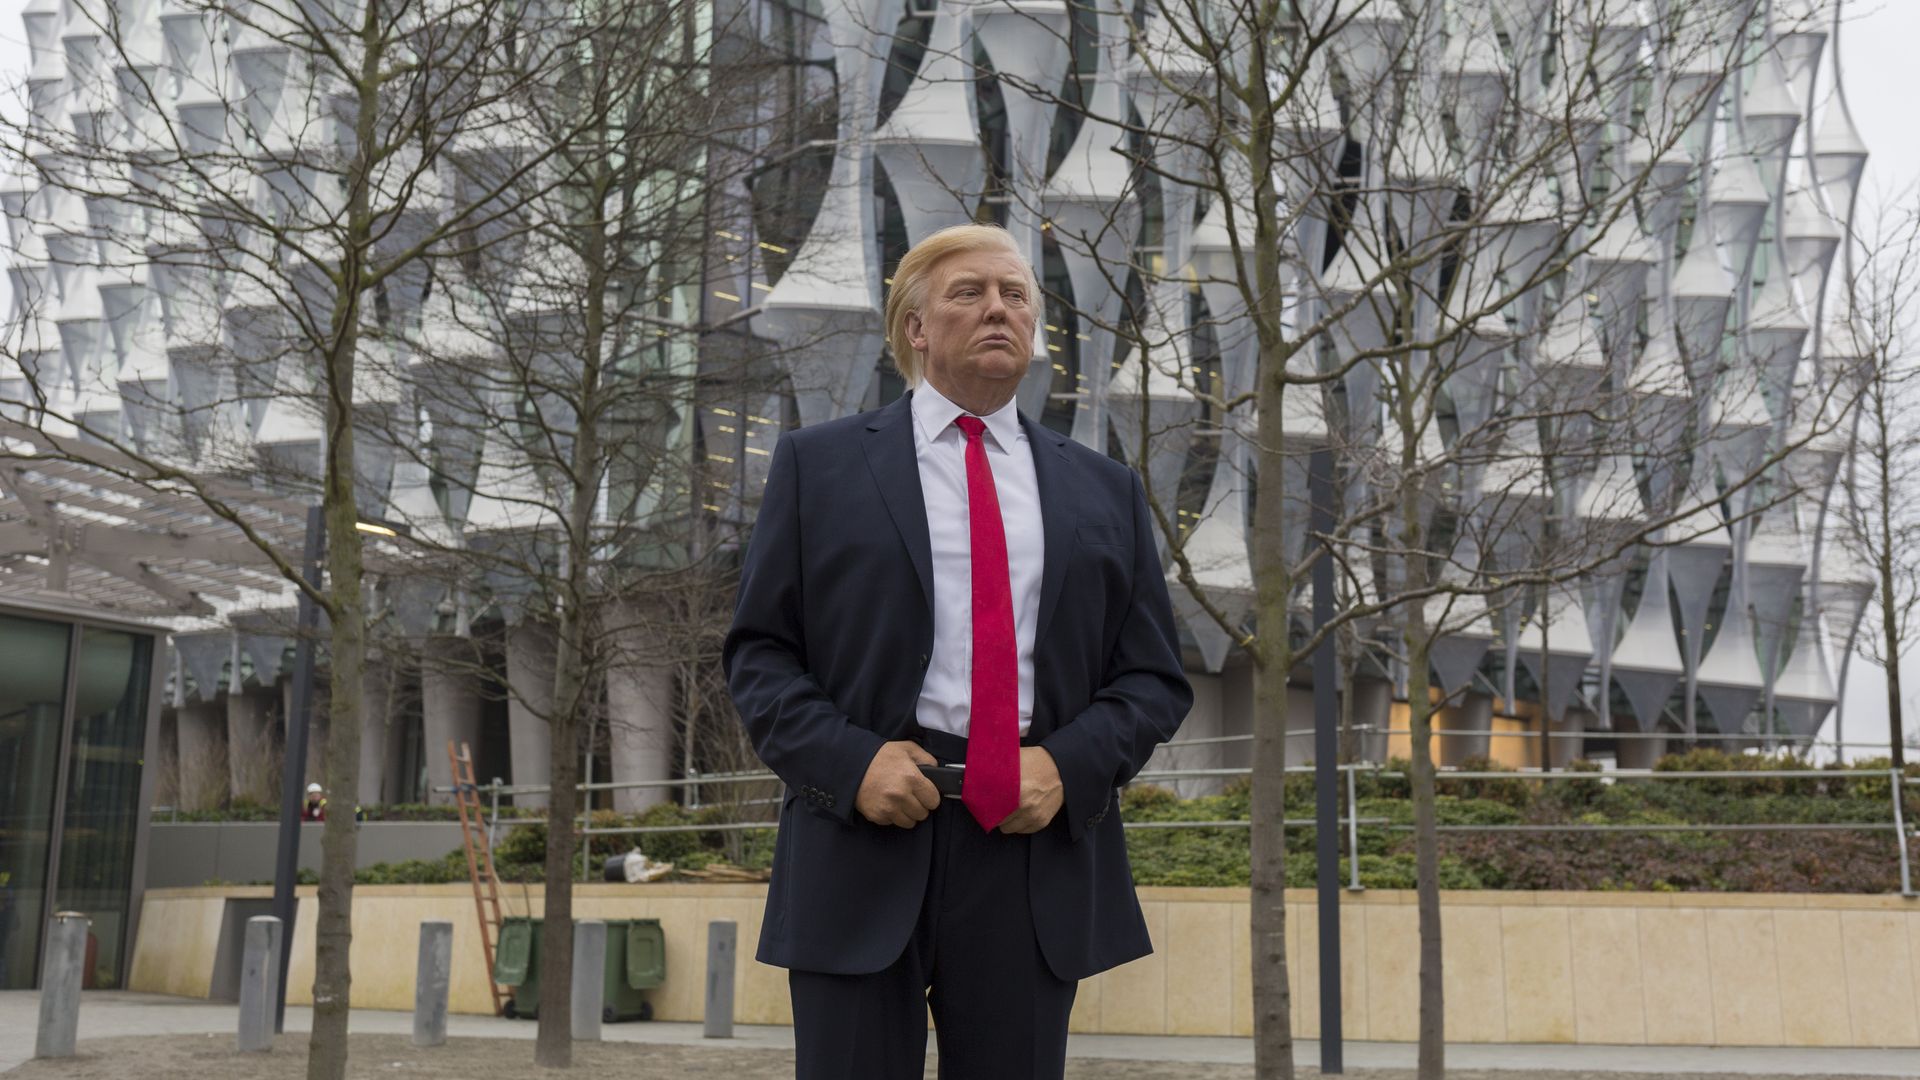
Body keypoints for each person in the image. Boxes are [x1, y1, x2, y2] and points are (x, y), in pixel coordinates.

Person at [724, 223, 1191, 1080]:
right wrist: (851, 764)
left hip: (1027, 849)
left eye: (1016, 295)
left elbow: (1154, 678)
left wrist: (1065, 765)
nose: (998, 310)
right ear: (914, 326)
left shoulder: (1105, 490)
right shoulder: (816, 468)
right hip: (860, 839)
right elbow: (759, 655)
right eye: (969, 293)